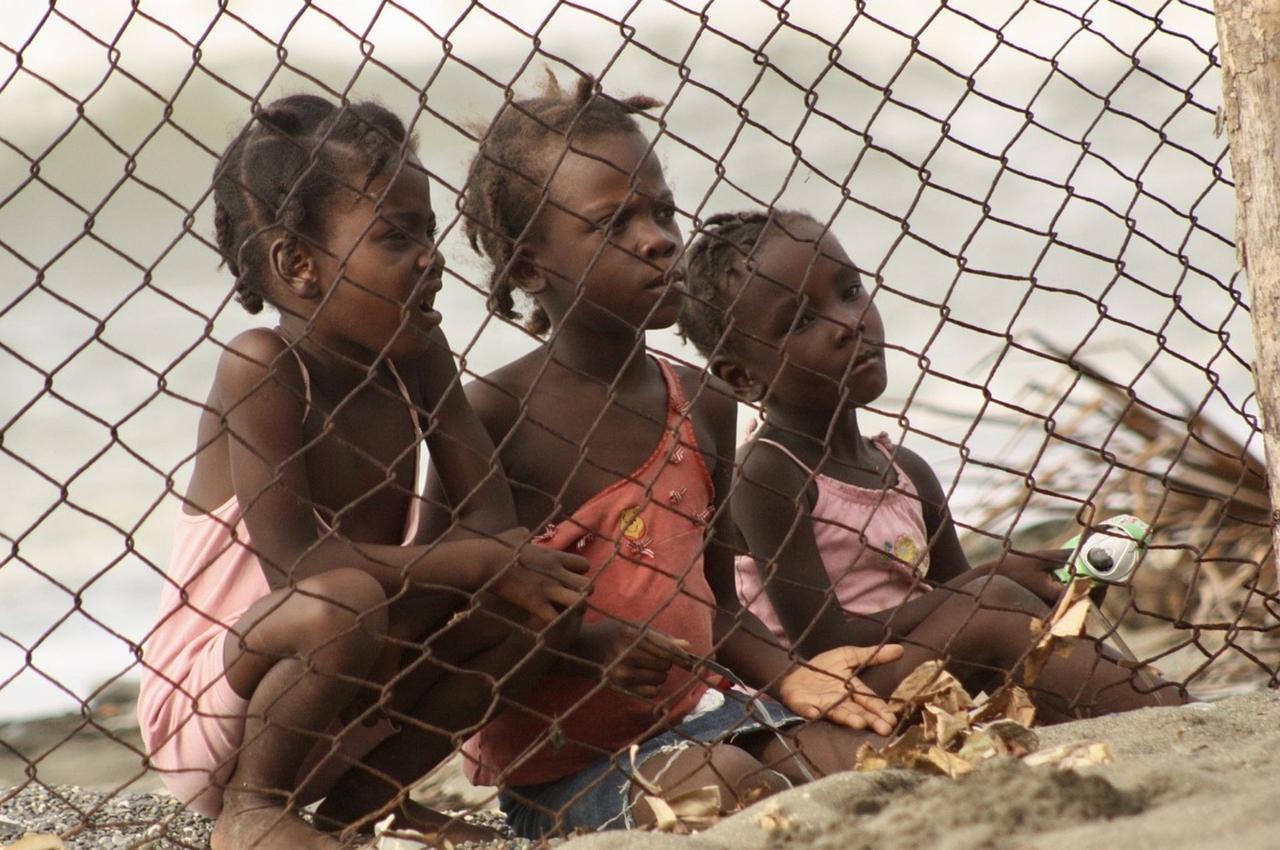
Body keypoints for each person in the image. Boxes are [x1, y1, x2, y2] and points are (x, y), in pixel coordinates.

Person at [437, 73, 905, 840]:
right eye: (612, 224)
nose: (658, 239)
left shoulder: (701, 400)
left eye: (662, 212)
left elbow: (717, 602)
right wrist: (584, 652)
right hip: (564, 772)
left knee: (870, 751)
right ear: (527, 266)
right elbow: (452, 632)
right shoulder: (492, 418)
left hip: (707, 717)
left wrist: (794, 678)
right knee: (727, 786)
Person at [136, 94, 590, 850]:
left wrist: (472, 577)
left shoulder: (420, 357)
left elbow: (491, 519)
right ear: (299, 264)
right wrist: (481, 563)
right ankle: (253, 812)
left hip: (360, 666)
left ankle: (363, 805)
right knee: (344, 601)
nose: (430, 258)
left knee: (543, 603)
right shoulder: (263, 369)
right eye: (395, 236)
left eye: (429, 232)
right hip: (219, 702)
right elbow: (299, 565)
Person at [677, 208, 1188, 723]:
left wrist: (1049, 585)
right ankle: (1170, 715)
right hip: (839, 699)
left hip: (922, 676)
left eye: (850, 292)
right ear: (741, 377)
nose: (848, 324)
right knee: (994, 602)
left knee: (1009, 606)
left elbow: (959, 604)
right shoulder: (767, 473)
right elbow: (822, 643)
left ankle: (1157, 711)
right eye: (802, 321)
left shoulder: (905, 470)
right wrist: (988, 580)